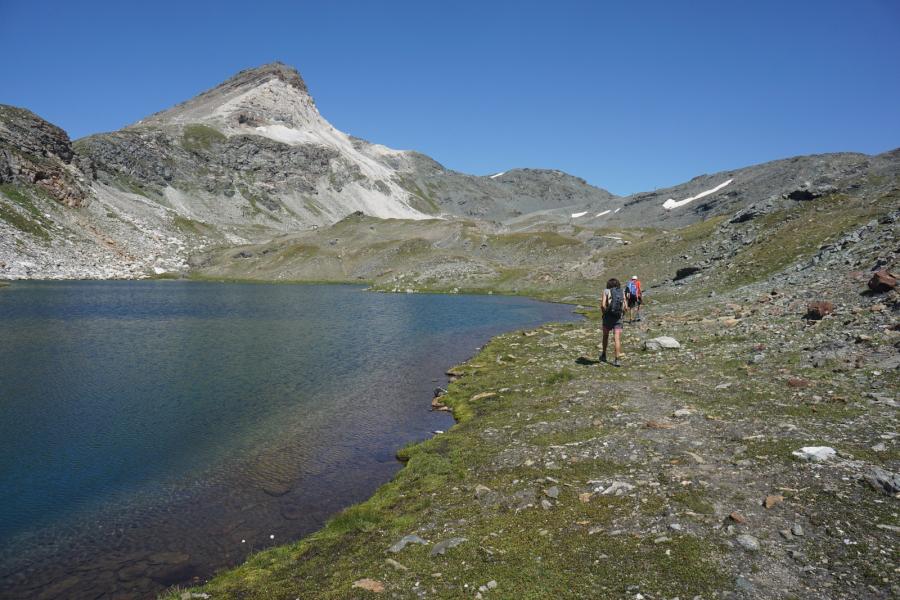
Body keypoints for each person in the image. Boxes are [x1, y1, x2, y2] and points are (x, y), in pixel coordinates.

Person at [600, 277, 625, 367]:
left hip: (607, 318)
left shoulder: (606, 291)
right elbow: (625, 307)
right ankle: (617, 359)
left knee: (605, 336)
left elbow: (602, 305)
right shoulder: (621, 291)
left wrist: (604, 314)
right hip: (618, 318)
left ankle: (603, 354)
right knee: (617, 338)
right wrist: (622, 315)